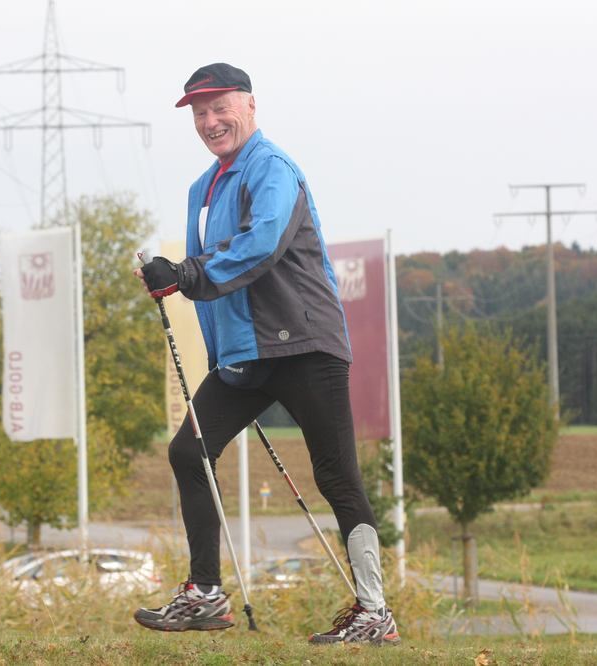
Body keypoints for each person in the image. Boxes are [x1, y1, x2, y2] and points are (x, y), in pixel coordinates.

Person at [132, 63, 400, 646]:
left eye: (219, 107)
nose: (209, 121)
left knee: (336, 474)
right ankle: (204, 594)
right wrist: (181, 284)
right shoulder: (200, 190)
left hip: (305, 344)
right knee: (189, 451)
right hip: (245, 354)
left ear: (250, 106)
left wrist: (185, 273)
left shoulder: (272, 167)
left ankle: (374, 612)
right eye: (199, 113)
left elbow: (260, 246)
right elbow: (207, 279)